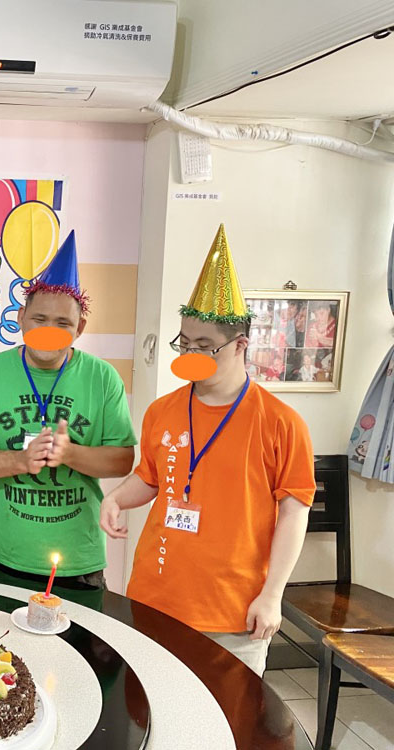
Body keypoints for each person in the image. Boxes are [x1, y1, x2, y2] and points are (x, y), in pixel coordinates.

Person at [100, 224, 315, 676]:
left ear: (240, 345)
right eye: (185, 344)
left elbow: (295, 513)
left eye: (204, 346)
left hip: (232, 612)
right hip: (155, 598)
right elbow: (151, 477)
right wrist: (116, 497)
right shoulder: (162, 411)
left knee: (229, 713)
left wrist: (272, 594)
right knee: (149, 704)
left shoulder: (280, 423)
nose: (191, 355)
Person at [0, 230, 136, 590]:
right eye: (39, 319)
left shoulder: (102, 377)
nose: (49, 331)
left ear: (80, 328)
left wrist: (70, 454)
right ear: (21, 317)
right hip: (8, 554)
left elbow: (123, 460)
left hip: (79, 558)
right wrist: (20, 460)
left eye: (63, 324)